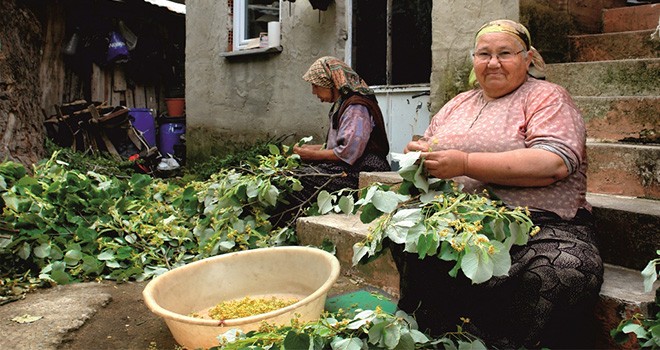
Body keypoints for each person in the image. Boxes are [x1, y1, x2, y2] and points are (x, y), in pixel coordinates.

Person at [396, 19, 604, 348]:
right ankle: (443, 334)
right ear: (474, 60)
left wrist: (465, 163)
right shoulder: (458, 104)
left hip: (539, 224)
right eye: (484, 54)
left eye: (505, 53)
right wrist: (420, 156)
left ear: (528, 57)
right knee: (407, 231)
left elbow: (555, 162)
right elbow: (431, 146)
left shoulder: (547, 98)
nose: (493, 62)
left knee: (565, 271)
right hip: (465, 221)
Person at [272, 56, 390, 226]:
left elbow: (348, 152)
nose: (314, 92)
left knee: (296, 180)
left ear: (330, 82)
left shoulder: (356, 107)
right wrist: (312, 148)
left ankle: (290, 225)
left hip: (363, 170)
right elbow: (340, 144)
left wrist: (311, 155)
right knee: (289, 175)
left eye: (315, 86)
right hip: (350, 166)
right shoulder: (343, 103)